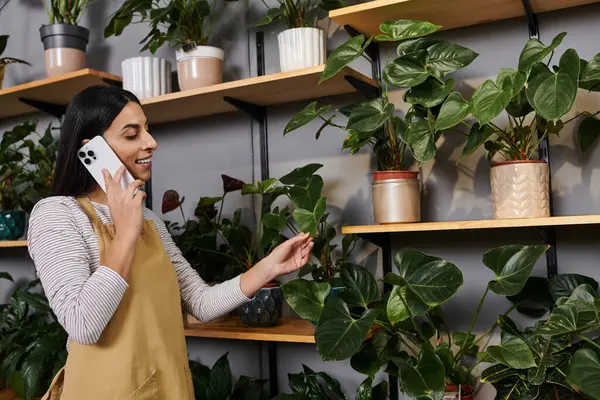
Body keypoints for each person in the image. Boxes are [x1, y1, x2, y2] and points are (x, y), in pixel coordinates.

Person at [27, 85, 314, 400]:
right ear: (91, 150)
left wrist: (270, 266)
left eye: (147, 131)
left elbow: (201, 303)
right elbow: (84, 325)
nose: (151, 143)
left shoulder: (150, 220)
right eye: (132, 134)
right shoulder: (56, 215)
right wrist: (125, 234)